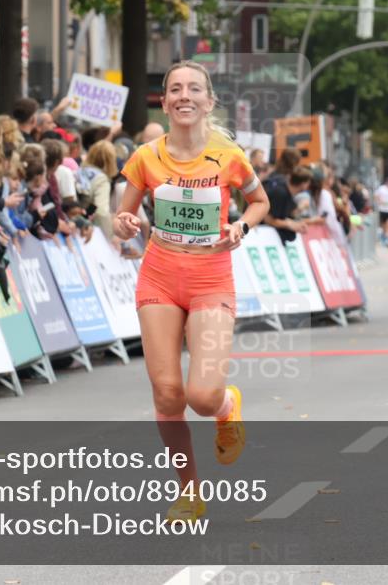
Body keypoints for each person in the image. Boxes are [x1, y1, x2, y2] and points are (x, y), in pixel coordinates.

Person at [112, 60, 269, 524]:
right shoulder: (145, 156)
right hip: (159, 275)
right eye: (175, 89)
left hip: (211, 280)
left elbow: (261, 202)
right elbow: (123, 221)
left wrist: (240, 225)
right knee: (166, 393)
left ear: (208, 101)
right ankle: (188, 492)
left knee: (201, 395)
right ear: (165, 101)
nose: (184, 96)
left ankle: (226, 408)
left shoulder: (229, 156)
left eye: (194, 89)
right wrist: (125, 224)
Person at [80, 139, 118, 239]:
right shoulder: (102, 179)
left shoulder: (81, 170)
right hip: (85, 228)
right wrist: (110, 237)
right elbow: (101, 211)